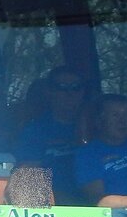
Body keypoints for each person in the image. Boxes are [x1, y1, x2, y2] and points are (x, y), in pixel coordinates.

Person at [14, 66, 89, 204]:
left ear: (83, 92)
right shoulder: (35, 131)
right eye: (62, 87)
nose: (69, 93)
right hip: (56, 208)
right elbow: (28, 178)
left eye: (76, 87)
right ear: (50, 92)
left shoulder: (98, 126)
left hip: (104, 204)